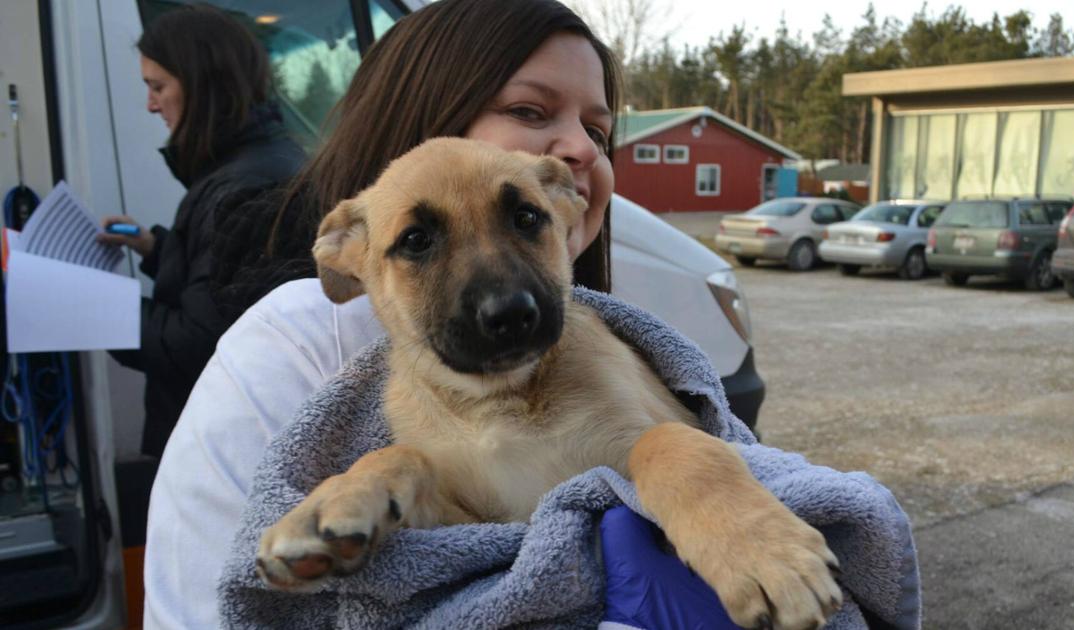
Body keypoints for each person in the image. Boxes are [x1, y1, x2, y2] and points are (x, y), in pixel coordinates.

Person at [144, 2, 917, 629]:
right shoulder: (292, 353)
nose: (579, 150)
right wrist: (387, 475)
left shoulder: (597, 341)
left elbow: (669, 443)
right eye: (528, 108)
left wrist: (711, 496)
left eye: (599, 130)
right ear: (350, 256)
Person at [96, 5, 305, 457]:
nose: (151, 104)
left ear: (203, 86)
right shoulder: (248, 166)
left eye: (158, 87)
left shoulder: (244, 185)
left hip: (220, 451)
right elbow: (224, 278)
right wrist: (155, 249)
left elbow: (197, 344)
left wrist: (96, 308)